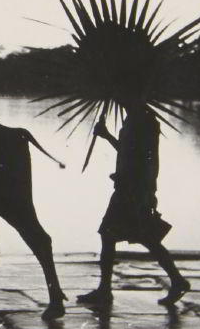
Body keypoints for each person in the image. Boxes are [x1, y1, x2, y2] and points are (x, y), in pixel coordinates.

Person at [77, 103, 189, 307]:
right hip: (127, 188)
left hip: (134, 191)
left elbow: (147, 159)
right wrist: (107, 136)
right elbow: (128, 151)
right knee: (131, 237)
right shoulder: (135, 117)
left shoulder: (143, 120)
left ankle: (106, 290)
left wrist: (146, 192)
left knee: (127, 236)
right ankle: (175, 280)